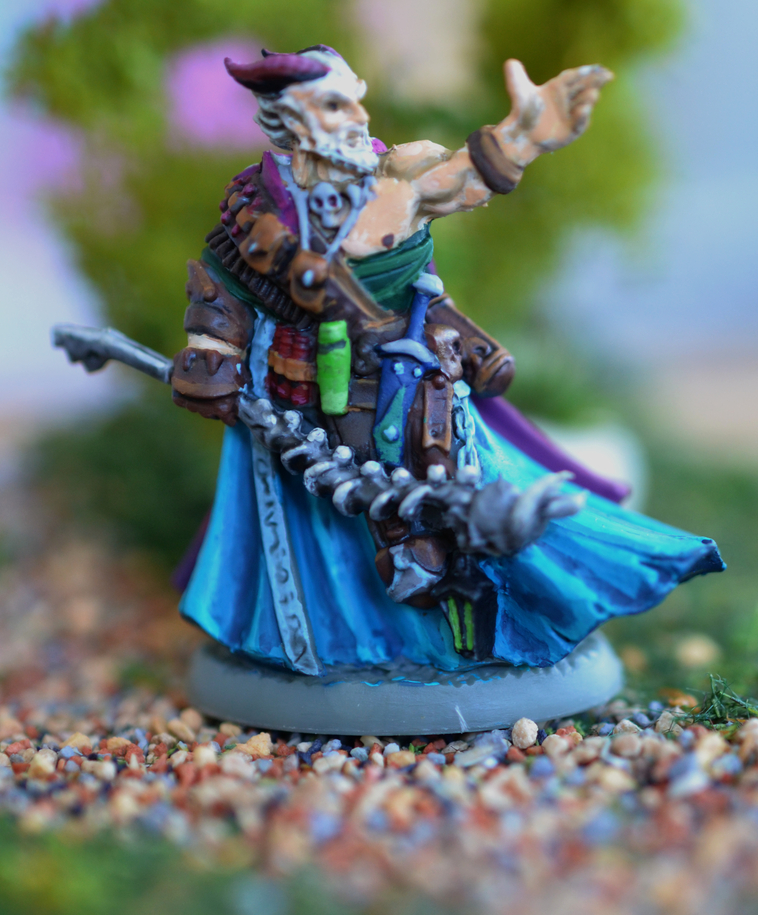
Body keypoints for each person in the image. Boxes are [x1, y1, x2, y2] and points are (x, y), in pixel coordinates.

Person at [175, 45, 723, 676]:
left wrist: (525, 135)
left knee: (436, 502)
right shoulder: (255, 207)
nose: (357, 116)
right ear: (293, 119)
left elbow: (462, 177)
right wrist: (211, 356)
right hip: (296, 397)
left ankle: (469, 606)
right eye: (335, 105)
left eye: (356, 98)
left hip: (409, 382)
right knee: (323, 517)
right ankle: (355, 636)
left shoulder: (395, 179)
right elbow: (221, 290)